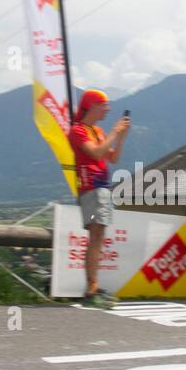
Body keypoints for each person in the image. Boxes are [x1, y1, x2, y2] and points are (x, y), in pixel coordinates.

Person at [69, 88, 130, 307]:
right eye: (104, 105)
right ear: (92, 106)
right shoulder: (78, 130)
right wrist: (114, 131)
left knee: (98, 236)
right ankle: (91, 287)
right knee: (96, 235)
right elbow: (94, 153)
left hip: (102, 187)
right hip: (90, 187)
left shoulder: (97, 131)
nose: (108, 109)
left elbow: (113, 158)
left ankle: (93, 285)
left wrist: (121, 137)